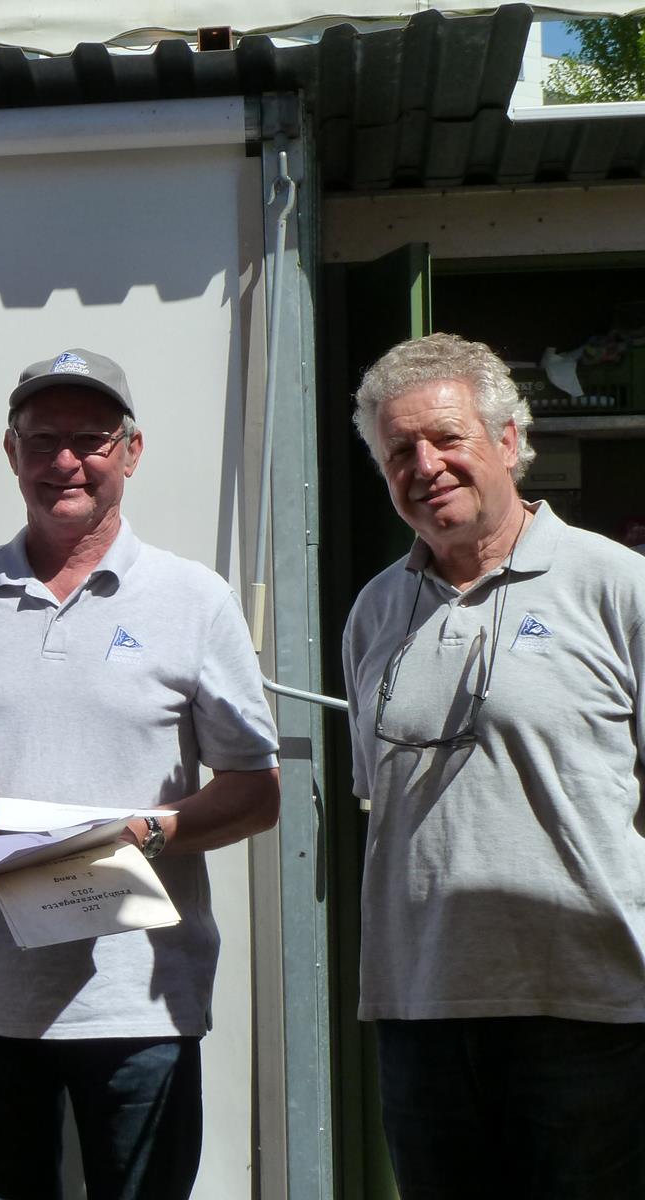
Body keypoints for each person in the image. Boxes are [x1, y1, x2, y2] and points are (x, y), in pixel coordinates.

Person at [0, 348, 280, 1200]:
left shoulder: (194, 600)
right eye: (42, 439)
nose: (65, 460)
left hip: (140, 998)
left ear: (131, 452)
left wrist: (145, 834)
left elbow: (256, 790)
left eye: (92, 439)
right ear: (11, 452)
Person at [343, 332, 645, 1199]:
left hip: (589, 1014)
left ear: (510, 441)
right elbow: (383, 799)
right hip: (420, 1010)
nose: (425, 466)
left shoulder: (616, 586)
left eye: (448, 438)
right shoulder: (377, 610)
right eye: (400, 451)